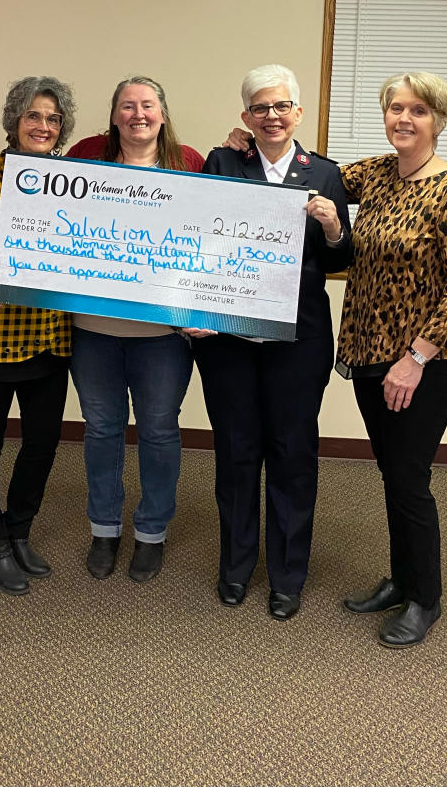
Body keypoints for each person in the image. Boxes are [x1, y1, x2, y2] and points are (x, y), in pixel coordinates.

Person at [189, 64, 352, 621]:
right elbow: (198, 238)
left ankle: (287, 576)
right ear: (246, 118)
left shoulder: (325, 173)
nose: (272, 116)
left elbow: (339, 259)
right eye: (260, 108)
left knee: (292, 455)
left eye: (281, 106)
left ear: (298, 114)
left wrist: (333, 227)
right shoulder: (223, 163)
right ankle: (235, 569)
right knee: (236, 453)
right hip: (229, 338)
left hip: (297, 341)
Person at [337, 72, 447, 648]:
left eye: (417, 111)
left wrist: (416, 358)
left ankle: (425, 597)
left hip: (422, 362)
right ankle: (400, 580)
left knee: (408, 477)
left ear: (437, 120)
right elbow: (312, 174)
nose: (404, 118)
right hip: (369, 352)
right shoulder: (376, 172)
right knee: (392, 474)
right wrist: (252, 142)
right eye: (396, 108)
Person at [65, 76, 203, 583]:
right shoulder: (85, 157)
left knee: (159, 431)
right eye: (128, 106)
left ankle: (151, 533)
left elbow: (214, 235)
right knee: (101, 429)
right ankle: (105, 528)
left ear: (163, 113)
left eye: (147, 105)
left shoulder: (189, 162)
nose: (138, 114)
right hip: (93, 328)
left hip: (163, 336)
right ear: (114, 115)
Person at [0, 76, 76, 596]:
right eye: (34, 117)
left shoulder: (76, 180)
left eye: (52, 119)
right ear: (14, 122)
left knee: (43, 442)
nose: (43, 126)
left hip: (50, 335)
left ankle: (20, 528)